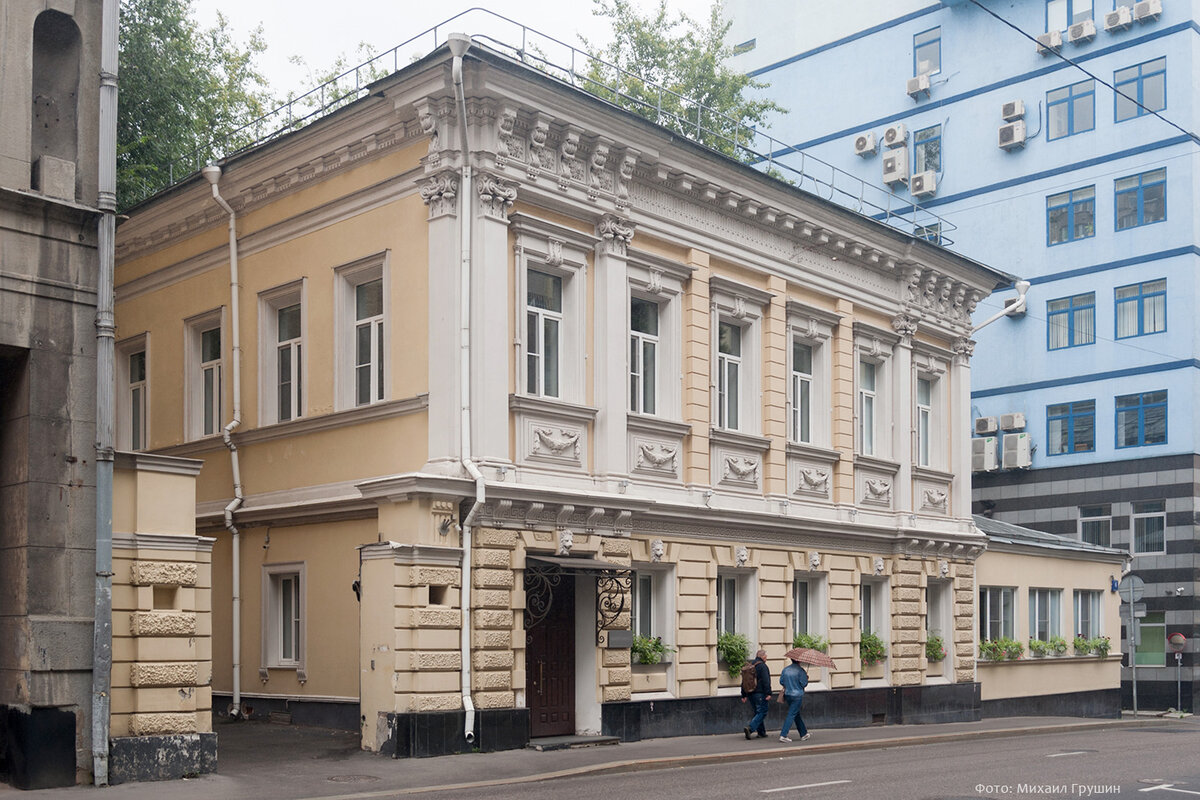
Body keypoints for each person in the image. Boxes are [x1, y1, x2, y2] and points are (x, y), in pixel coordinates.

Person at [740, 649, 773, 740]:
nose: (766, 658)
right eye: (766, 656)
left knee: (757, 712)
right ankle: (750, 728)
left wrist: (743, 695)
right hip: (760, 693)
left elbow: (744, 681)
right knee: (762, 712)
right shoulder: (763, 666)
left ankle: (761, 732)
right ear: (763, 656)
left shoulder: (750, 666)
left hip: (750, 693)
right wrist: (768, 693)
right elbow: (766, 681)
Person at [778, 655, 810, 743]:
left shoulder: (786, 669)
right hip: (797, 695)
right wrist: (806, 678)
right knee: (792, 714)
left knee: (796, 714)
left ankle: (803, 733)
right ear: (799, 661)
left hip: (788, 694)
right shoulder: (800, 670)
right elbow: (803, 684)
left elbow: (781, 681)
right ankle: (783, 735)